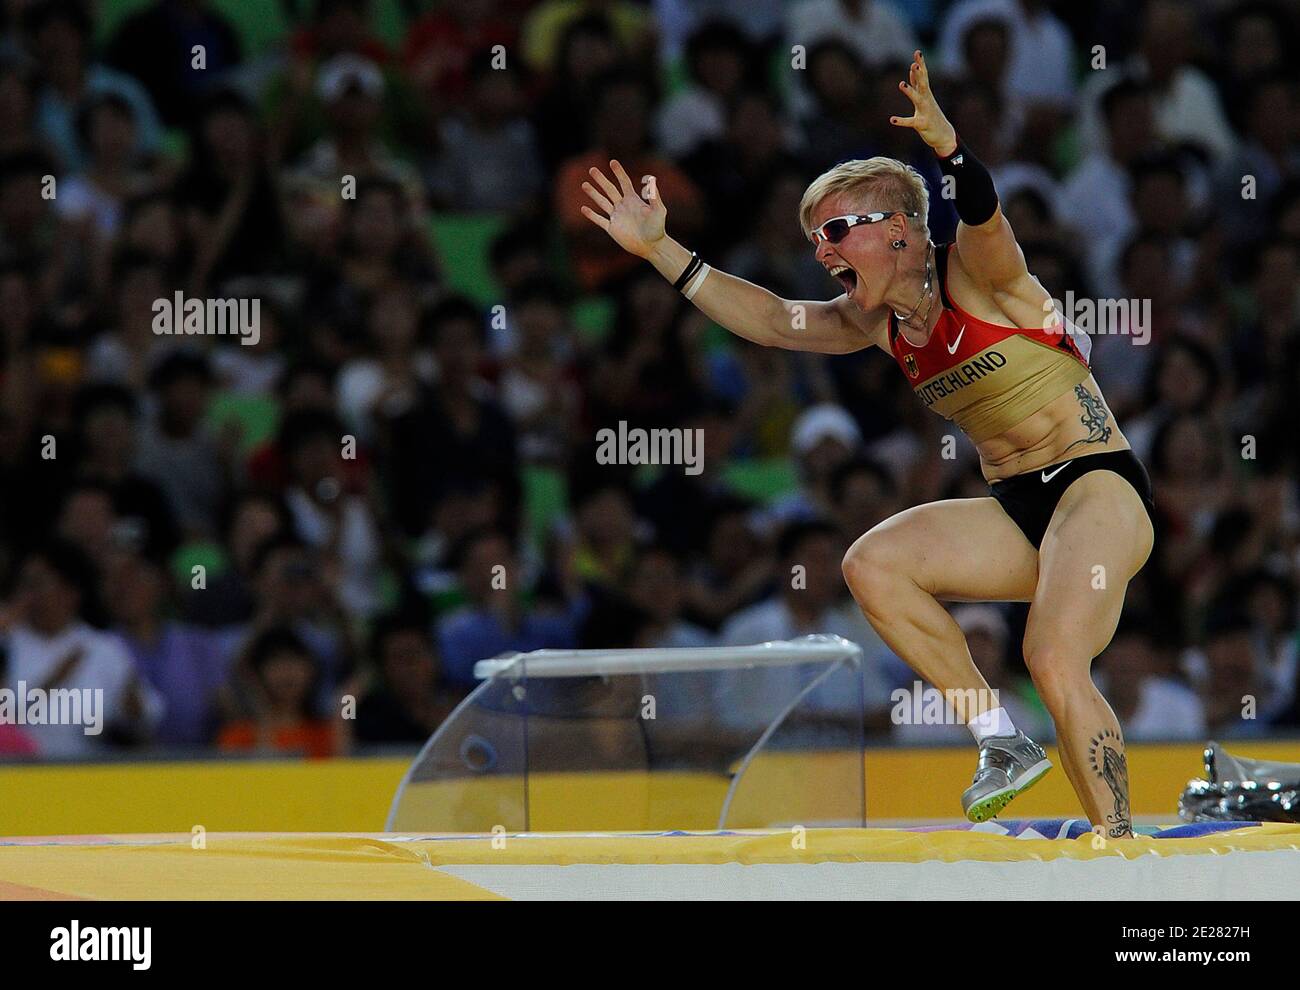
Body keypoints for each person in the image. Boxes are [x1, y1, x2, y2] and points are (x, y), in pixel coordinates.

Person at [580, 51, 1157, 838]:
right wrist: (662, 253)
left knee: (1053, 657)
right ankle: (1000, 740)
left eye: (838, 231)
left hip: (1098, 484)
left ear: (901, 232)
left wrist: (951, 151)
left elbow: (987, 219)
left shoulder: (978, 277)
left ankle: (1123, 855)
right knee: (872, 564)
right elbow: (772, 321)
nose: (823, 252)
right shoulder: (874, 322)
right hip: (1022, 508)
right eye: (816, 238)